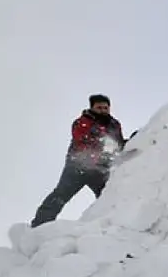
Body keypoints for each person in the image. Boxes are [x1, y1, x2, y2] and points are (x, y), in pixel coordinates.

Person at [30, 94, 127, 228]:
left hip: (99, 170)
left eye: (106, 108)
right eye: (99, 107)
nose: (103, 110)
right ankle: (38, 226)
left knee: (109, 197)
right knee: (60, 196)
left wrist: (131, 142)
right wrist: (104, 144)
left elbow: (118, 144)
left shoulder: (114, 124)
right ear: (92, 107)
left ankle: (112, 227)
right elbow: (83, 140)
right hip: (78, 167)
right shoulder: (82, 122)